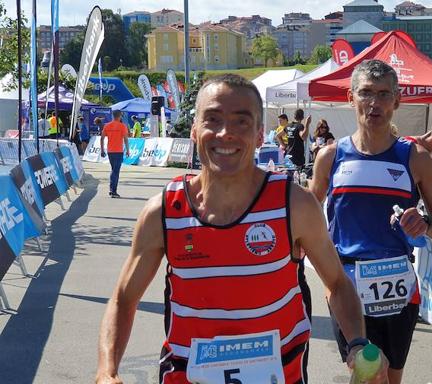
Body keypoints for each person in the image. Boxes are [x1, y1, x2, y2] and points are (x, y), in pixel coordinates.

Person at [95, 74, 387, 384]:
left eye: (241, 122)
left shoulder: (294, 204)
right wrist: (106, 371)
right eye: (213, 119)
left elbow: (338, 284)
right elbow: (123, 300)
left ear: (261, 135)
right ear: (194, 130)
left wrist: (356, 342)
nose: (225, 133)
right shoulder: (163, 212)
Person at [311, 59, 432, 384]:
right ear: (351, 98)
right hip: (347, 285)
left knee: (390, 379)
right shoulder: (330, 157)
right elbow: (307, 217)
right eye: (366, 93)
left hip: (399, 287)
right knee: (368, 373)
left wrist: (426, 225)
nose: (374, 103)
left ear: (396, 102)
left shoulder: (415, 158)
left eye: (384, 94)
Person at [100, 110, 130, 198]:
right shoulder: (122, 126)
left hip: (110, 151)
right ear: (120, 116)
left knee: (113, 170)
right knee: (115, 171)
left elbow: (101, 139)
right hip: (118, 151)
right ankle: (113, 191)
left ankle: (112, 189)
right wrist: (128, 150)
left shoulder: (107, 125)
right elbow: (125, 139)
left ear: (113, 116)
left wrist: (102, 150)